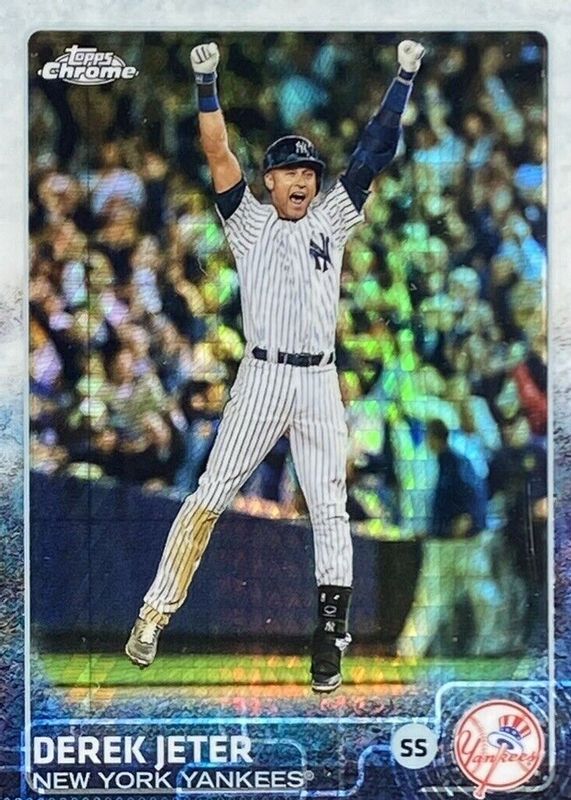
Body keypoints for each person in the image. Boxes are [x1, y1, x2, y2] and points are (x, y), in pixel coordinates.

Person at [126, 38, 425, 692]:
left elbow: (373, 151)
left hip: (318, 379)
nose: (302, 180)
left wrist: (403, 76)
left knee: (330, 508)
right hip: (262, 377)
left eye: (309, 172)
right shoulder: (248, 222)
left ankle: (329, 638)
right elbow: (217, 151)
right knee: (209, 495)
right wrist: (206, 83)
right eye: (290, 171)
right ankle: (153, 613)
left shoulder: (332, 220)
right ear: (269, 180)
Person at [397, 419, 510, 658]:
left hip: (465, 543)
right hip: (442, 541)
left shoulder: (457, 462)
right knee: (433, 596)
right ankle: (409, 649)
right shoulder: (441, 462)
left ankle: (494, 644)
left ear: (435, 437)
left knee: (479, 592)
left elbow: (475, 498)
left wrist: (469, 518)